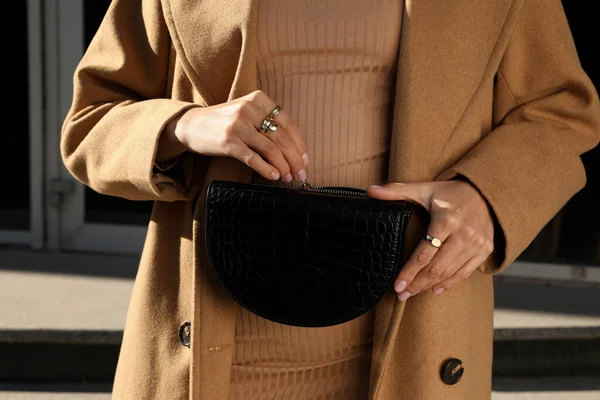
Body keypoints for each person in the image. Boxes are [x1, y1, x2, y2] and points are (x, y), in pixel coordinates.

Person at [61, 0, 600, 399]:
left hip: (406, 348)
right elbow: (89, 124)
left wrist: (487, 195)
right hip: (212, 354)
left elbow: (559, 112)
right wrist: (186, 123)